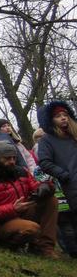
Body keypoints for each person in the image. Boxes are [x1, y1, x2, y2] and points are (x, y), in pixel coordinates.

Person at [0, 141, 58, 258]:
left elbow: (35, 185)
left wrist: (45, 187)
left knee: (50, 200)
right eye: (7, 158)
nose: (12, 161)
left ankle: (44, 248)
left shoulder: (21, 171)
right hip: (1, 224)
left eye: (13, 158)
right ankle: (9, 244)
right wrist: (13, 209)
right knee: (32, 229)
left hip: (23, 213)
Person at [37, 101, 77, 258]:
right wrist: (63, 174)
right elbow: (44, 162)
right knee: (70, 221)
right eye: (58, 116)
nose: (63, 118)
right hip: (68, 184)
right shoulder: (47, 140)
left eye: (65, 115)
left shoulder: (74, 137)